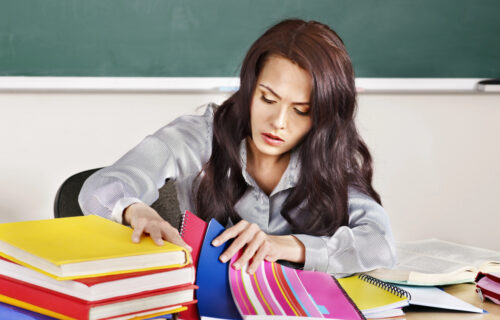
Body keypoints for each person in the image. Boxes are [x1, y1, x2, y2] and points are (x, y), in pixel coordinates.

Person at [79, 19, 396, 277]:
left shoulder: (330, 154)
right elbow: (100, 189)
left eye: (301, 110)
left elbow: (380, 244)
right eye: (267, 99)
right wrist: (136, 211)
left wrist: (281, 246)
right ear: (249, 86)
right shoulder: (202, 134)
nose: (278, 122)